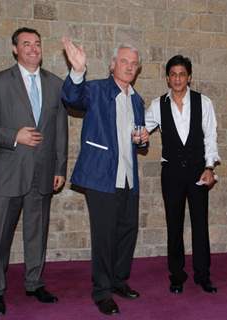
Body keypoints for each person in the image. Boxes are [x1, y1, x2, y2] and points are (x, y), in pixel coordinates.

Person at [0, 27, 68, 316]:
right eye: (26, 44)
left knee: (36, 234)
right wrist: (15, 136)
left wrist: (60, 167)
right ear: (15, 49)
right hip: (8, 174)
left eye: (37, 44)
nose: (33, 48)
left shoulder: (55, 84)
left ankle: (34, 282)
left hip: (43, 173)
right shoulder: (0, 82)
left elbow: (61, 129)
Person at [61, 38, 149, 316]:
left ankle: (118, 281)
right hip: (101, 177)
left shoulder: (137, 100)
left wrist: (143, 140)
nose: (129, 67)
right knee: (104, 236)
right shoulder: (97, 89)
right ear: (113, 65)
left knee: (127, 232)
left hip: (128, 178)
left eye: (134, 64)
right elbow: (71, 98)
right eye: (124, 61)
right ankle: (101, 291)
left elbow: (137, 141)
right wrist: (77, 71)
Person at [146, 55, 220, 294]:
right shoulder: (157, 105)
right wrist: (136, 136)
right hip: (171, 173)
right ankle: (176, 275)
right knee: (174, 225)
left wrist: (209, 167)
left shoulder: (204, 102)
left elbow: (210, 137)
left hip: (199, 172)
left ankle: (203, 275)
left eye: (182, 74)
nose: (178, 78)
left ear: (189, 77)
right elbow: (141, 131)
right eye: (173, 74)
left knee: (200, 225)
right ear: (168, 78)